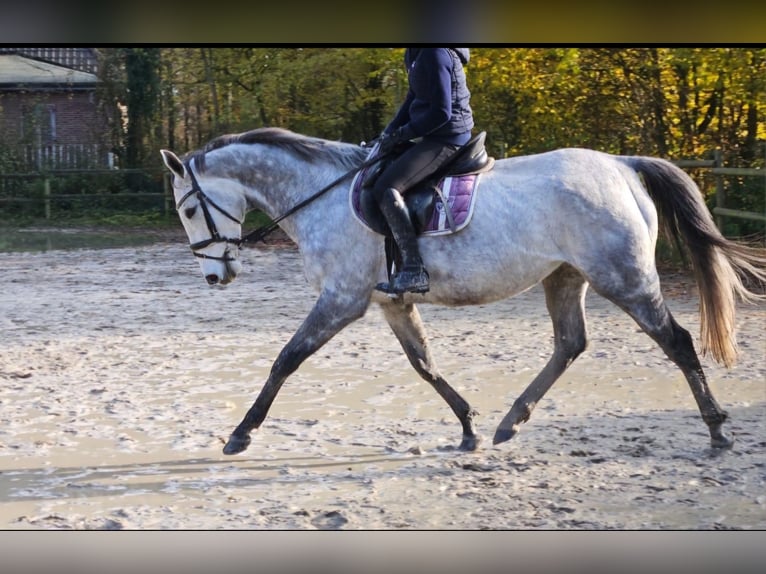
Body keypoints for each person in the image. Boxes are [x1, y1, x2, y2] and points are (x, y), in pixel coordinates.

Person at [371, 47, 474, 294]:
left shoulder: (434, 53)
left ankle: (414, 270)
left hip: (448, 137)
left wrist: (403, 135)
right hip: (433, 133)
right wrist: (389, 133)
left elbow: (441, 112)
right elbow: (412, 100)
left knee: (387, 187)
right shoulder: (415, 53)